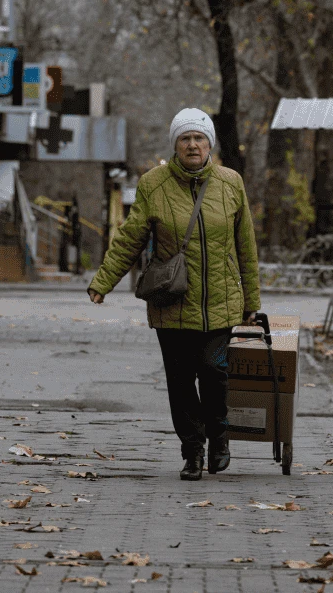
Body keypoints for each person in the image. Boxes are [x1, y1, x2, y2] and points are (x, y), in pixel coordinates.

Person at [86, 108, 261, 481]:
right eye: (185, 138)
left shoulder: (231, 183)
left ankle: (219, 434)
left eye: (199, 138)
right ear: (175, 145)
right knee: (180, 381)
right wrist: (104, 282)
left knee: (214, 371)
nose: (193, 145)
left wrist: (252, 302)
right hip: (172, 299)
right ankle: (192, 451)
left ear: (209, 143)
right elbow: (131, 237)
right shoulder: (154, 184)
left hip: (220, 300)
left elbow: (245, 244)